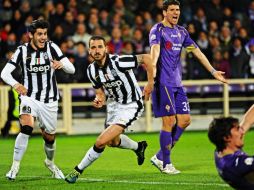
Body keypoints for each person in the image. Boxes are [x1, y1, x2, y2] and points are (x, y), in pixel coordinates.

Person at [149, 0, 228, 174]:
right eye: (172, 10)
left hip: (177, 84)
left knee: (184, 120)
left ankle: (159, 156)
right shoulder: (158, 30)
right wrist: (152, 73)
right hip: (163, 83)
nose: (176, 13)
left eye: (178, 10)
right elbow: (154, 52)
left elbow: (198, 52)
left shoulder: (182, 32)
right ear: (164, 12)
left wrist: (213, 71)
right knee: (169, 121)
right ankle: (166, 163)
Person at [65, 35, 154, 183]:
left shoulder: (119, 62)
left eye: (100, 47)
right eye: (93, 47)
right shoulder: (91, 71)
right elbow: (100, 92)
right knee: (112, 142)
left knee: (101, 142)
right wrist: (99, 98)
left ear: (106, 48)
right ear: (89, 51)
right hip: (114, 105)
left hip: (131, 105)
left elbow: (147, 58)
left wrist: (150, 83)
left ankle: (77, 170)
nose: (97, 50)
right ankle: (139, 147)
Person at [0, 19, 75, 180]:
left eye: (45, 34)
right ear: (31, 35)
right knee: (26, 127)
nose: (43, 37)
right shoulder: (21, 51)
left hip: (50, 101)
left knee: (49, 137)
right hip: (29, 98)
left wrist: (61, 65)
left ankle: (50, 162)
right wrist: (16, 85)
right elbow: (4, 73)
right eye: (39, 34)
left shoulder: (52, 47)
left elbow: (72, 69)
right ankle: (14, 167)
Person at [208, 105, 254, 190]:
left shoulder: (223, 149)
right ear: (226, 138)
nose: (242, 131)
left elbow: (247, 121)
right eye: (237, 129)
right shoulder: (234, 165)